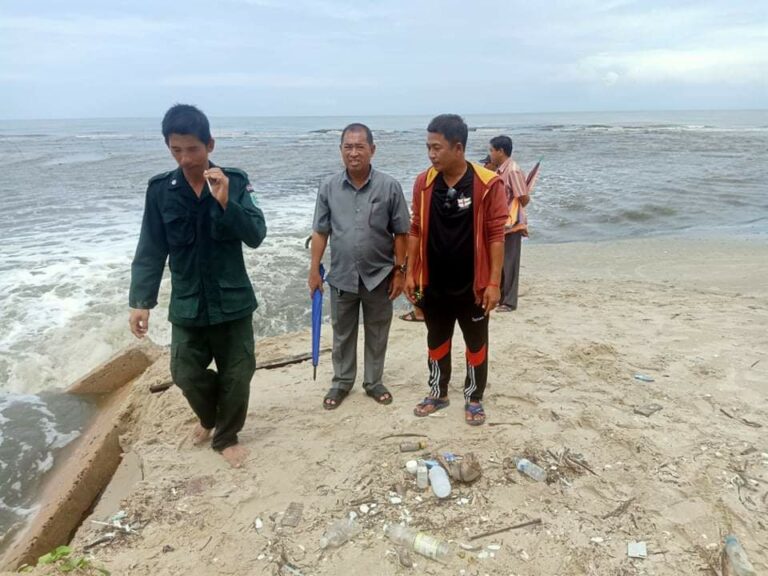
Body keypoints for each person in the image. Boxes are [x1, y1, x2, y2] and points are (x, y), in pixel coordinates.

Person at [128, 104, 267, 468]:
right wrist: (141, 301)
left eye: (193, 149)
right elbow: (151, 247)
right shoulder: (161, 190)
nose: (186, 158)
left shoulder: (234, 182)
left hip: (232, 300)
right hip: (189, 303)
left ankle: (226, 437)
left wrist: (226, 203)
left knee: (238, 373)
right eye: (176, 150)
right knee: (184, 373)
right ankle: (209, 417)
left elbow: (256, 234)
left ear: (210, 144)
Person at [405, 114, 507, 426]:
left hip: (473, 285)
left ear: (458, 148)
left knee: (476, 344)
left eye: (437, 148)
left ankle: (474, 398)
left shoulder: (487, 184)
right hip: (434, 282)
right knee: (436, 341)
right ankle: (438, 393)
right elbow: (415, 228)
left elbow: (496, 235)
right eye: (428, 147)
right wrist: (409, 273)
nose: (431, 154)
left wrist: (493, 283)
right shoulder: (424, 183)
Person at [309, 123, 410, 410]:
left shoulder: (389, 186)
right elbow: (320, 231)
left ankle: (373, 382)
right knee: (342, 333)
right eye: (348, 147)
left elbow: (402, 233)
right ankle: (342, 382)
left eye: (359, 147)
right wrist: (314, 270)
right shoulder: (328, 187)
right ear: (341, 150)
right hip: (341, 276)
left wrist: (400, 272)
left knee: (377, 331)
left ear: (372, 150)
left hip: (379, 275)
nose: (353, 153)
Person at [488, 135, 530, 312]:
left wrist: (512, 211)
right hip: (501, 224)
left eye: (491, 150)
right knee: (501, 261)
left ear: (501, 151)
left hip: (512, 225)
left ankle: (510, 302)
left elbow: (524, 197)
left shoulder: (512, 170)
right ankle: (502, 298)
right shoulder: (500, 170)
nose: (490, 154)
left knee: (510, 262)